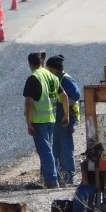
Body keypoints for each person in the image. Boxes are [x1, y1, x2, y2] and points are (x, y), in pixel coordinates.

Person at [22, 51, 68, 189]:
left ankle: (52, 181)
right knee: (48, 149)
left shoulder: (34, 77)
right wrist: (66, 115)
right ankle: (52, 178)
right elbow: (64, 96)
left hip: (39, 120)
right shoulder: (51, 76)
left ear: (30, 63)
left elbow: (29, 103)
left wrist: (29, 123)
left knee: (45, 151)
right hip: (51, 118)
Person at [46, 54, 83, 186]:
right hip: (58, 120)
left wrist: (66, 108)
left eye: (49, 69)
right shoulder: (57, 80)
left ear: (54, 69)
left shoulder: (66, 80)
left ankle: (68, 176)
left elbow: (76, 95)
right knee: (56, 148)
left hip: (65, 120)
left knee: (66, 148)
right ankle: (59, 175)